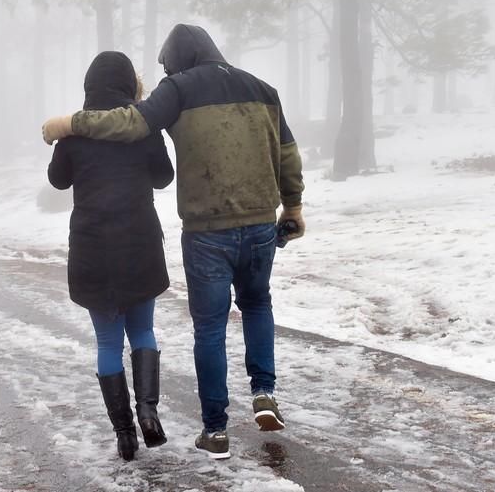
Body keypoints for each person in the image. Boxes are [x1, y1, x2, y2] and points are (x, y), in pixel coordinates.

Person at [42, 24, 305, 460]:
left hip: (202, 231)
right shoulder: (263, 89)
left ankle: (211, 430)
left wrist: (70, 125)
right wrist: (292, 208)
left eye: (167, 64)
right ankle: (263, 393)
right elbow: (287, 152)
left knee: (206, 327)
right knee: (257, 304)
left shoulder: (177, 88)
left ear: (178, 60)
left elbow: (129, 124)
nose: (164, 71)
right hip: (257, 224)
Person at [47, 51, 175, 462]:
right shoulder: (142, 129)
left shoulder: (73, 134)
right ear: (127, 86)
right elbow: (164, 176)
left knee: (107, 342)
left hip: (92, 248)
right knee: (143, 332)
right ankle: (149, 413)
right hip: (139, 242)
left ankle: (124, 433)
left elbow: (57, 180)